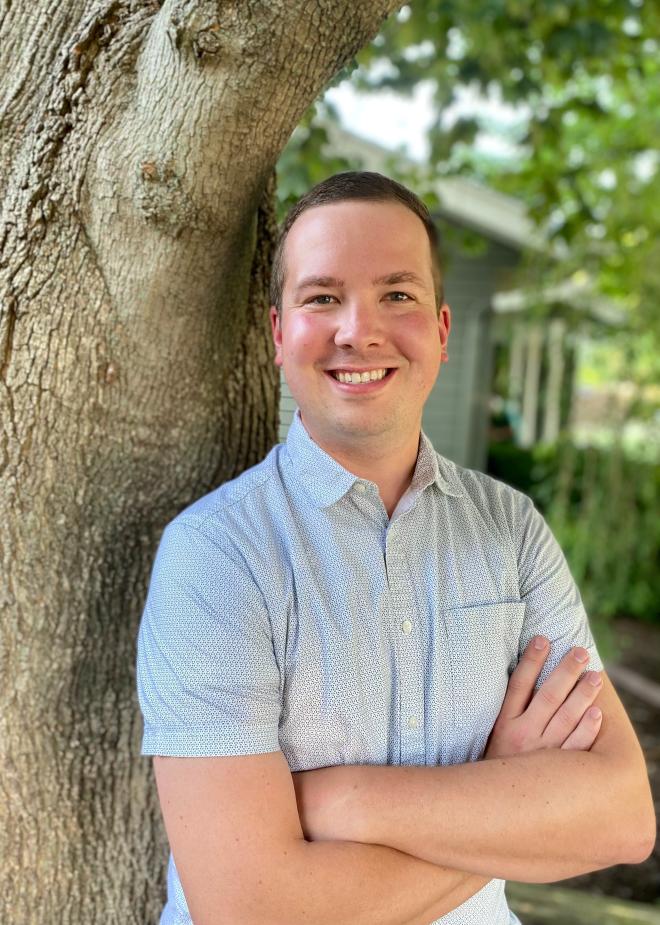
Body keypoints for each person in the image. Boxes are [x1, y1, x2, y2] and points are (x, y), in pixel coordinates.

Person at [136, 171, 655, 925]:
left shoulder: (510, 530)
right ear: (280, 333)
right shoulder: (215, 558)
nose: (359, 329)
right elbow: (248, 908)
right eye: (321, 297)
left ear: (443, 332)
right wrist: (507, 793)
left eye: (397, 295)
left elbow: (621, 815)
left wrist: (342, 798)